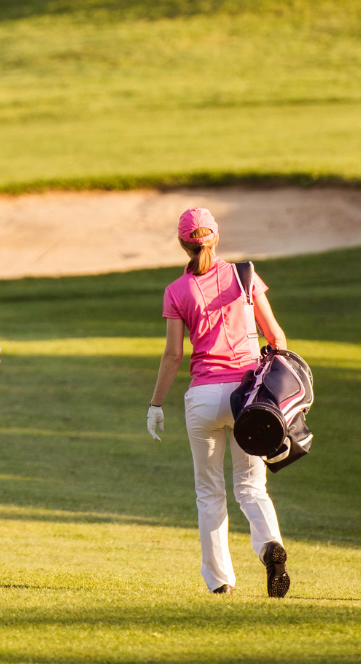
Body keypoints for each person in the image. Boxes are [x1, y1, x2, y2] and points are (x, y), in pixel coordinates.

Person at [147, 207, 291, 597]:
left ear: (182, 244)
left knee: (209, 493)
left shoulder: (176, 291)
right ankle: (269, 546)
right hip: (248, 397)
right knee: (251, 487)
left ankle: (220, 583)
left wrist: (155, 404)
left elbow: (174, 355)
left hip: (203, 399)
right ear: (215, 236)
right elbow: (275, 336)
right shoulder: (244, 275)